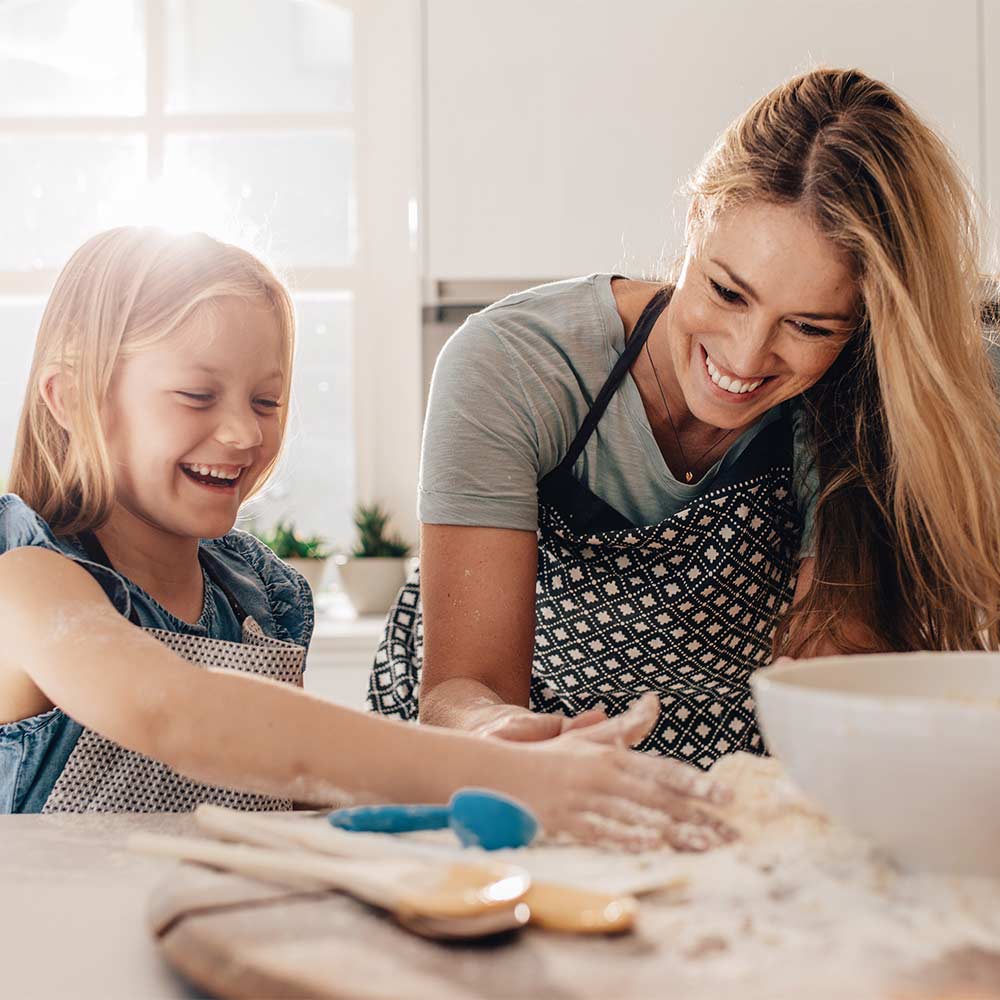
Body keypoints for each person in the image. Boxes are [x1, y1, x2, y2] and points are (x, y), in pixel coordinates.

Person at [0, 226, 733, 850]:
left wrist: (465, 760)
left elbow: (282, 795)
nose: (243, 431)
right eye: (196, 396)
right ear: (72, 399)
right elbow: (175, 711)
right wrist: (500, 775)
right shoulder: (28, 581)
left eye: (267, 400)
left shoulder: (262, 595)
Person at [368, 67, 1000, 770]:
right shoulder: (515, 365)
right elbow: (466, 686)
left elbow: (832, 658)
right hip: (476, 764)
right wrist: (504, 736)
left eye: (810, 327)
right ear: (696, 219)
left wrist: (836, 711)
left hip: (722, 775)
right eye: (728, 292)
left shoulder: (872, 399)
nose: (746, 355)